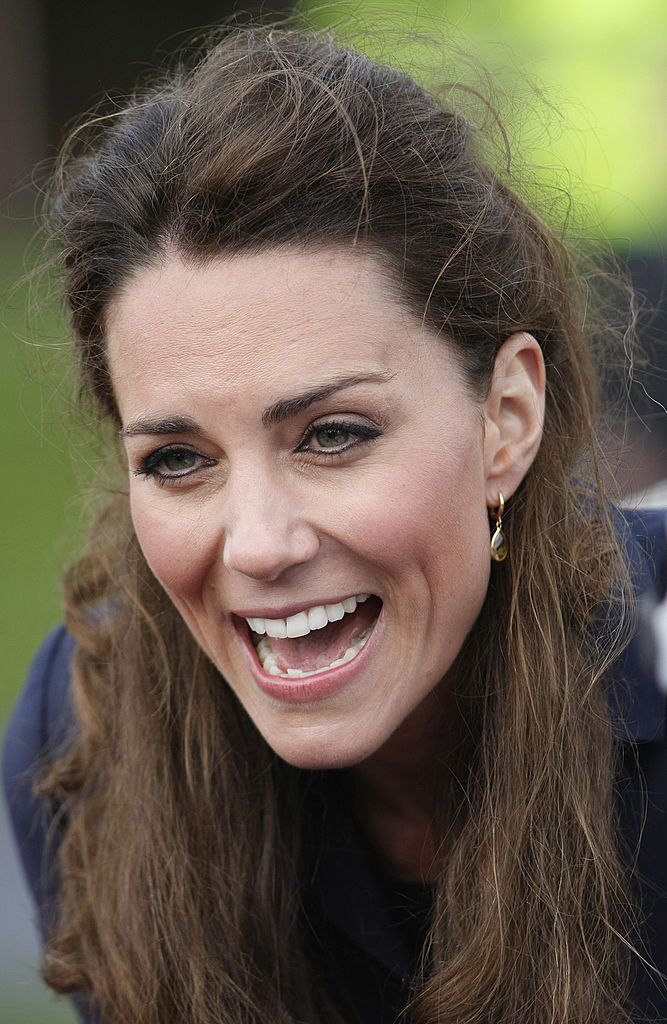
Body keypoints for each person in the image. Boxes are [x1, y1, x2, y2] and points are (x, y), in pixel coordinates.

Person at [3, 23, 667, 1024]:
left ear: (507, 421)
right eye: (178, 460)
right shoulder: (89, 731)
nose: (261, 543)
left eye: (333, 435)